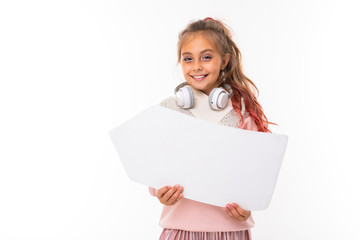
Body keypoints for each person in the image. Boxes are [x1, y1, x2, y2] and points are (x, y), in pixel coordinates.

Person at [149, 17, 273, 240]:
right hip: (179, 230)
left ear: (224, 60)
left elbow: (257, 174)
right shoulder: (168, 110)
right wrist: (160, 192)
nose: (196, 66)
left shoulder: (242, 111)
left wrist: (248, 206)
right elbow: (153, 171)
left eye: (206, 57)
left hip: (230, 229)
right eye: (188, 59)